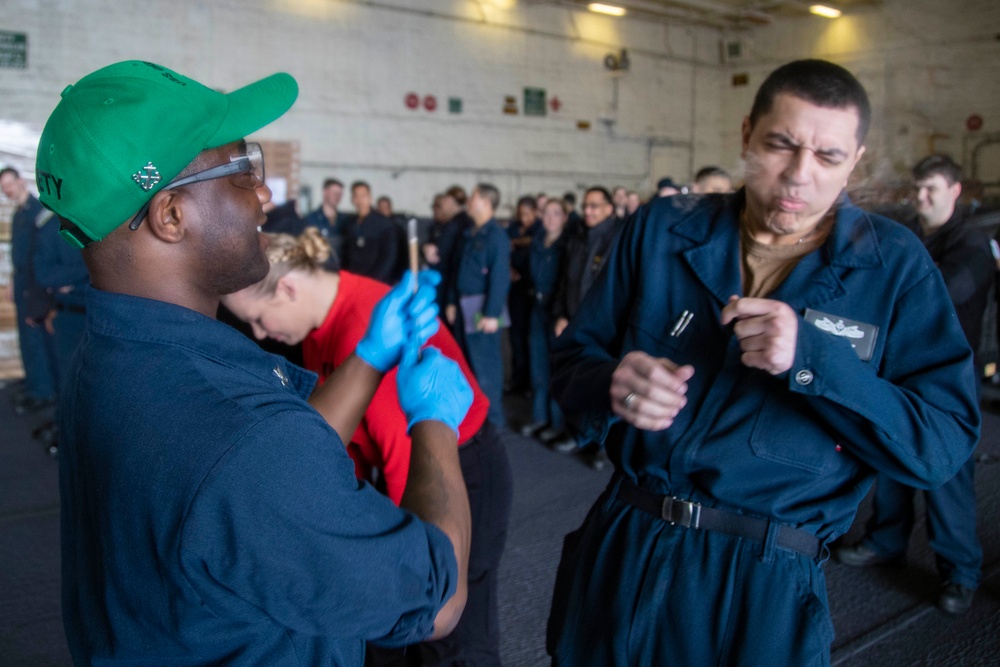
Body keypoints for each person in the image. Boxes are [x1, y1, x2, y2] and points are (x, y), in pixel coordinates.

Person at [38, 60, 473, 666]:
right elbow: (437, 596)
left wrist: (370, 359)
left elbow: (265, 482)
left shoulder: (113, 356)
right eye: (243, 170)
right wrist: (435, 425)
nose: (265, 193)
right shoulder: (238, 436)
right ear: (170, 216)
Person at [546, 59, 979, 666]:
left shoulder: (894, 267)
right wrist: (610, 381)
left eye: (829, 157)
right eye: (781, 144)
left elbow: (942, 446)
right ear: (747, 134)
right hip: (627, 541)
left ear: (856, 161)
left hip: (762, 577)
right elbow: (568, 364)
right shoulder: (665, 229)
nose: (799, 176)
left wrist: (812, 361)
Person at [223, 229, 513, 666]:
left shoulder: (359, 322)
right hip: (395, 464)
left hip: (452, 466)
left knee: (448, 634)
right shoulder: (316, 326)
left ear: (287, 288)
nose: (261, 332)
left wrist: (405, 567)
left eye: (260, 319)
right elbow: (344, 441)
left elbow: (410, 467)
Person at [833, 154, 992, 616]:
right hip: (895, 368)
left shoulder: (972, 244)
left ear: (955, 190)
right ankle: (886, 540)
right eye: (918, 189)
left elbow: (933, 296)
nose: (921, 197)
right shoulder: (911, 238)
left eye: (932, 189)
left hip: (946, 378)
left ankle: (959, 571)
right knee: (887, 457)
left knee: (945, 472)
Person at [550, 186, 619, 469]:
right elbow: (565, 281)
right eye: (586, 206)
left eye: (595, 206)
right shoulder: (578, 237)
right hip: (574, 322)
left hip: (604, 327)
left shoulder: (618, 240)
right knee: (576, 379)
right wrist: (561, 315)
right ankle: (577, 433)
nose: (588, 211)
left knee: (605, 384)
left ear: (609, 209)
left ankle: (603, 445)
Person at [446, 183, 511, 428]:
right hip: (463, 305)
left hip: (481, 307)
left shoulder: (496, 236)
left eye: (472, 197)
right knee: (465, 363)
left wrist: (492, 313)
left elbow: (500, 276)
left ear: (484, 202)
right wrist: (452, 300)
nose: (468, 202)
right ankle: (473, 417)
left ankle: (493, 421)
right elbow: (458, 270)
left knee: (485, 364)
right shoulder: (469, 232)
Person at [1, 167, 58, 416]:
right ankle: (34, 384)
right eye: (3, 187)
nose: (7, 190)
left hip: (35, 284)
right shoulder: (18, 213)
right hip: (22, 281)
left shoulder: (38, 212)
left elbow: (39, 257)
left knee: (35, 337)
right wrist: (13, 283)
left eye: (9, 184)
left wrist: (34, 291)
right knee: (26, 338)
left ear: (21, 181)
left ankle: (43, 392)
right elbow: (18, 256)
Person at [521, 199, 570, 448]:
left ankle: (559, 423)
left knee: (557, 369)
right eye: (547, 214)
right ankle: (540, 417)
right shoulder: (538, 243)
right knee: (538, 365)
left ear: (564, 217)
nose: (550, 219)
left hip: (557, 311)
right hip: (537, 309)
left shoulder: (568, 246)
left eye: (556, 213)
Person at [507, 195, 541, 395]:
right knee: (516, 337)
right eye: (521, 214)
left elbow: (535, 241)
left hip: (532, 289)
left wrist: (515, 242)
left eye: (528, 214)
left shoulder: (539, 229)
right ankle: (518, 379)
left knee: (531, 340)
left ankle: (531, 383)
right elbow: (504, 247)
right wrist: (509, 268)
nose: (524, 218)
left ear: (535, 212)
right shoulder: (513, 227)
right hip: (515, 289)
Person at [342, 181, 405, 284]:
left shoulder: (384, 225)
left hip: (376, 283)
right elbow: (347, 256)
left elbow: (388, 258)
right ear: (352, 199)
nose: (360, 200)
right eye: (356, 196)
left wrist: (372, 282)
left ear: (370, 198)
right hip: (354, 282)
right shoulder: (350, 225)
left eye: (363, 196)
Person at [302, 177, 346, 259]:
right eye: (334, 193)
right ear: (325, 192)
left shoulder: (345, 220)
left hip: (340, 269)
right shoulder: (310, 219)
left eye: (340, 194)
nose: (337, 196)